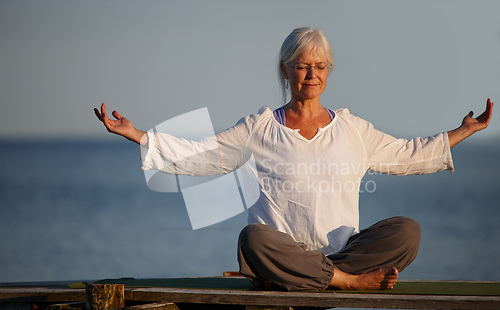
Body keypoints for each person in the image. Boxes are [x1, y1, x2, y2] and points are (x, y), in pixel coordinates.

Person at [94, 27, 493, 291]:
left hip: (341, 253)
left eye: (320, 67)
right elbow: (203, 155)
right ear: (285, 70)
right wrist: (137, 134)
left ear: (328, 71)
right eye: (302, 66)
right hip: (283, 254)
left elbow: (407, 154)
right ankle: (346, 283)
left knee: (408, 231)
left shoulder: (352, 128)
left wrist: (462, 131)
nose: (311, 74)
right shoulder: (259, 127)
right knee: (253, 239)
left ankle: (320, 275)